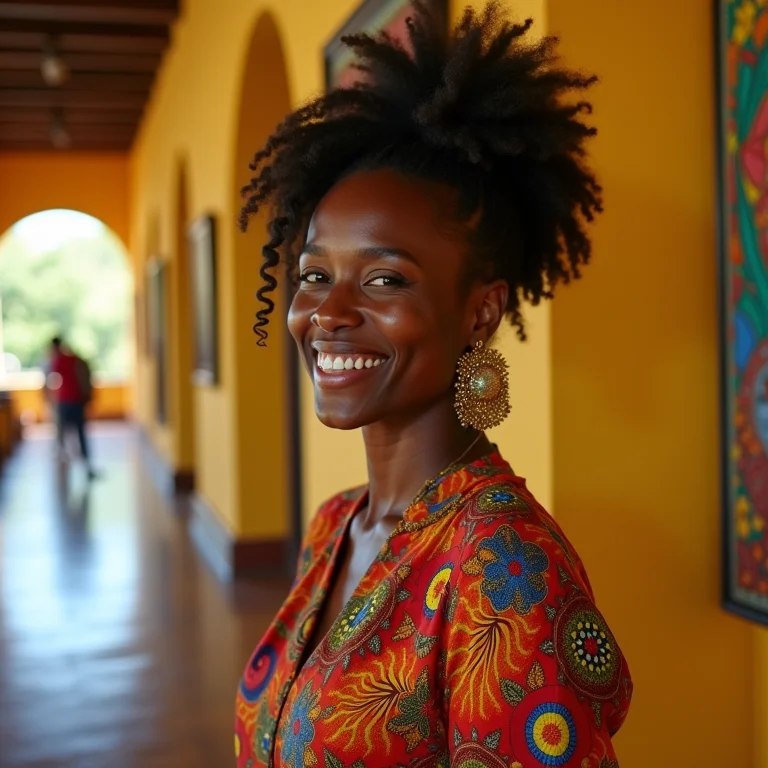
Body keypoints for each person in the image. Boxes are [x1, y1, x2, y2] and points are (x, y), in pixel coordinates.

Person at [235, 3, 632, 766]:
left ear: (480, 311)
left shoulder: (505, 571)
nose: (329, 313)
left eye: (385, 278)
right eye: (315, 274)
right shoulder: (331, 527)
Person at [48, 336, 96, 478]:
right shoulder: (75, 359)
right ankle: (85, 464)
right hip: (76, 400)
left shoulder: (59, 360)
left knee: (63, 431)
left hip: (65, 400)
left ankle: (65, 463)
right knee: (79, 432)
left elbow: (53, 379)